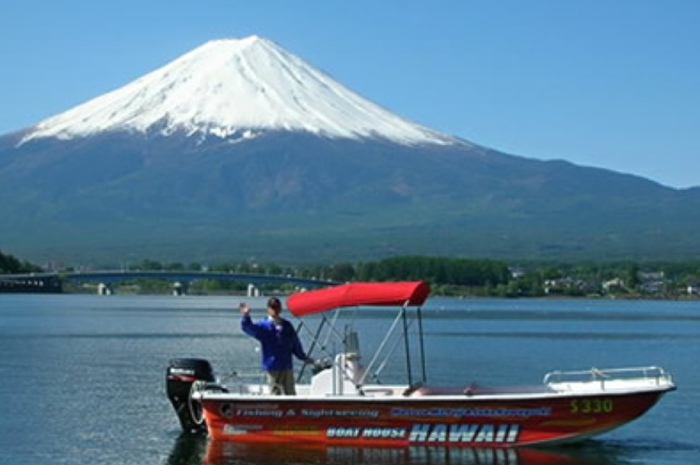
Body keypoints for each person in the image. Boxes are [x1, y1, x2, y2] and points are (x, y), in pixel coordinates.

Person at [239, 297, 314, 395]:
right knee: (275, 393)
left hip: (287, 365)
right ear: (268, 309)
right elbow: (248, 328)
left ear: (280, 309)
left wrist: (303, 357)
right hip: (272, 366)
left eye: (276, 307)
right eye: (272, 307)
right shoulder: (263, 326)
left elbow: (295, 343)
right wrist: (246, 315)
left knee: (290, 393)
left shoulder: (287, 326)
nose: (275, 310)